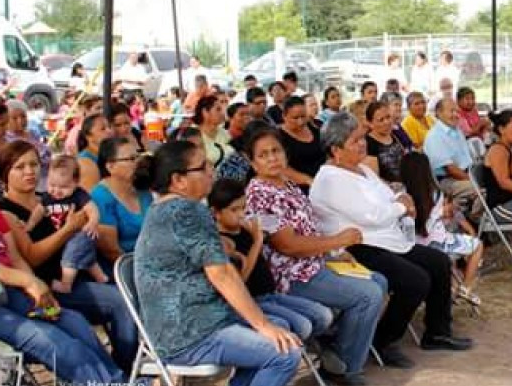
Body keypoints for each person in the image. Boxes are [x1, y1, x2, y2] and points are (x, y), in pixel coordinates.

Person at [0, 142, 124, 384]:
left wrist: (35, 288)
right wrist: (27, 280)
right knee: (47, 338)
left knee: (74, 322)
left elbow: (14, 257)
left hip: (5, 291)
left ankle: (115, 379)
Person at [133, 140, 304, 386]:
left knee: (280, 329)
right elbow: (221, 273)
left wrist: (265, 325)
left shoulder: (165, 208)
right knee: (284, 354)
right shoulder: (186, 211)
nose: (211, 171)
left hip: (193, 322)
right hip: (188, 334)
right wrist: (262, 324)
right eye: (202, 167)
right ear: (178, 180)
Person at [310, 113, 474, 364]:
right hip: (358, 246)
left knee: (438, 262)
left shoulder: (362, 169)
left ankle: (437, 333)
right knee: (415, 281)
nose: (363, 144)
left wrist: (397, 204)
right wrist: (400, 206)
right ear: (336, 150)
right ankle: (381, 340)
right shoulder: (330, 179)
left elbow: (388, 198)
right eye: (355, 141)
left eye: (362, 138)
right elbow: (373, 215)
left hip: (388, 239)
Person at [243, 128, 386, 385]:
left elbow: (309, 230)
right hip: (291, 274)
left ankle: (336, 351)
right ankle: (345, 368)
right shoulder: (260, 193)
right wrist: (338, 240)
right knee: (369, 295)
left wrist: (335, 252)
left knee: (378, 281)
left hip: (314, 262)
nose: (272, 158)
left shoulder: (287, 184)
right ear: (253, 163)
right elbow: (287, 246)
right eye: (263, 155)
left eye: (275, 151)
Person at [0, 141, 140, 374]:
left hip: (79, 272)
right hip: (47, 286)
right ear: (5, 172)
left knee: (130, 294)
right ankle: (121, 373)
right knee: (119, 302)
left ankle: (123, 368)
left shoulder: (50, 196)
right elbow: (32, 257)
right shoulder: (5, 210)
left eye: (34, 164)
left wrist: (88, 223)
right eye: (19, 167)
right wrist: (69, 228)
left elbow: (88, 212)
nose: (30, 171)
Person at [209, 179, 334, 343]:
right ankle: (295, 351)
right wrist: (257, 243)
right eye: (234, 210)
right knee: (302, 326)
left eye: (243, 208)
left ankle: (301, 346)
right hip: (252, 300)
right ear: (216, 213)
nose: (241, 214)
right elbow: (239, 281)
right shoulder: (222, 242)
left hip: (271, 293)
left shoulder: (247, 229)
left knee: (323, 315)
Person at [400, 152, 484, 305]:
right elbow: (432, 223)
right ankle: (465, 288)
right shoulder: (435, 194)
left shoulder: (401, 195)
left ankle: (453, 289)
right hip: (439, 245)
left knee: (448, 258)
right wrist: (445, 211)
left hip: (414, 247)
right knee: (477, 245)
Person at [40, 156, 108, 292]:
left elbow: (92, 209)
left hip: (79, 233)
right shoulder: (47, 197)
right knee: (87, 257)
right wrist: (29, 224)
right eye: (52, 185)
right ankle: (101, 277)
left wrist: (93, 222)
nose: (57, 191)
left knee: (70, 256)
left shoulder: (78, 195)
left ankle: (66, 284)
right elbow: (38, 212)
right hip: (67, 235)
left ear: (76, 183)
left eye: (64, 187)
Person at [91, 136, 154, 267]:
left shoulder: (142, 188)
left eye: (137, 156)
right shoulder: (100, 196)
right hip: (123, 268)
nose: (138, 162)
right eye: (131, 159)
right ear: (110, 166)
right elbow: (111, 251)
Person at [422, 98, 477, 216]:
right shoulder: (435, 136)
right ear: (439, 113)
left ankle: (472, 215)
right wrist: (475, 180)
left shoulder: (456, 130)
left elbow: (467, 160)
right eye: (451, 111)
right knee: (482, 189)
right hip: (448, 179)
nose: (456, 115)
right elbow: (451, 170)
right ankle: (473, 219)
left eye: (457, 111)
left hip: (465, 174)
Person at [278, 96, 324, 183]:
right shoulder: (278, 137)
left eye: (303, 116)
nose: (300, 122)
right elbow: (282, 168)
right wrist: (308, 180)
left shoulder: (314, 129)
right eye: (295, 118)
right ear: (284, 116)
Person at [6, 99, 51, 185]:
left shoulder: (32, 133)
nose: (20, 121)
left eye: (23, 116)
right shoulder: (7, 140)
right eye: (14, 118)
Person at [366, 101, 406, 184]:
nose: (386, 122)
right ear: (370, 123)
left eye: (388, 117)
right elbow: (375, 179)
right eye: (381, 120)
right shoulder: (368, 144)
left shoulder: (394, 135)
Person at [193, 93, 233, 167]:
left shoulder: (224, 133)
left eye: (221, 109)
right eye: (218, 110)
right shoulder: (193, 135)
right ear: (205, 112)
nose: (222, 113)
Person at [76, 113, 112, 190]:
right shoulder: (85, 162)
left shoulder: (108, 153)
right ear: (89, 136)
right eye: (103, 129)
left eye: (109, 127)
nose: (109, 131)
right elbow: (92, 196)